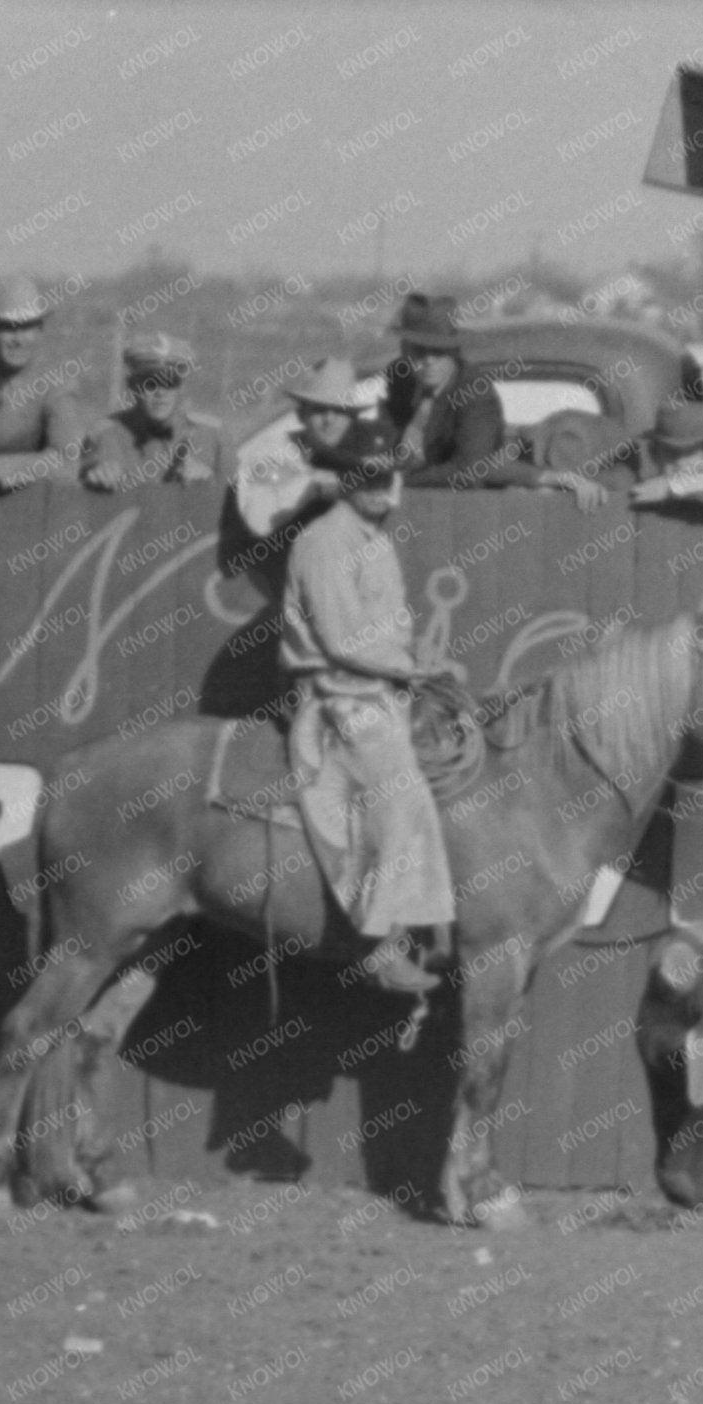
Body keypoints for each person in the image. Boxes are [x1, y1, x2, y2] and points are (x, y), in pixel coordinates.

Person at [279, 421, 459, 998]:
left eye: (389, 476)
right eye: (369, 476)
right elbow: (342, 640)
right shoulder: (325, 540)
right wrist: (415, 669)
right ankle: (380, 945)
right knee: (399, 794)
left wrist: (418, 666)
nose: (383, 487)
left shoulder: (374, 538)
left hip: (380, 690)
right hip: (335, 696)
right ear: (347, 478)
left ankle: (434, 922)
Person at [378, 289, 603, 505]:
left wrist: (397, 480)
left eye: (438, 352)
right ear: (405, 351)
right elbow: (381, 437)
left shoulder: (475, 392)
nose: (428, 361)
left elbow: (468, 470)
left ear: (454, 352)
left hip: (471, 509)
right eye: (418, 352)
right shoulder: (399, 378)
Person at [0, 276, 90, 494]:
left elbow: (67, 461)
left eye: (26, 328)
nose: (18, 339)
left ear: (40, 329)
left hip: (26, 510)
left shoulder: (56, 384)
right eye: (7, 328)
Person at [233, 354, 364, 545]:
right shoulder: (272, 451)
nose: (330, 419)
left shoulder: (359, 451)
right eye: (320, 409)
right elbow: (258, 521)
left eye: (340, 411)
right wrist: (317, 488)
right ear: (301, 415)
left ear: (352, 417)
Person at [77, 331, 223, 490]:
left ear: (181, 388)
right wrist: (96, 474)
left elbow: (240, 500)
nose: (161, 393)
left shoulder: (211, 435)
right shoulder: (104, 434)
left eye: (170, 382)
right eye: (150, 384)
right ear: (132, 385)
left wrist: (208, 480)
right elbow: (78, 490)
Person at [608, 394, 703, 515]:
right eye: (671, 452)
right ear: (654, 454)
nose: (680, 461)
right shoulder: (646, 490)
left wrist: (671, 487)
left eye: (690, 452)